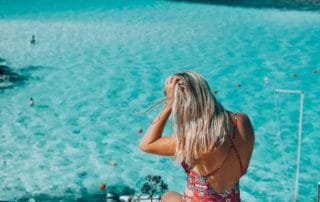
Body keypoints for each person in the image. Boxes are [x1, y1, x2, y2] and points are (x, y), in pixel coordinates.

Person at [139, 71, 255, 202]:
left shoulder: (192, 141)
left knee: (167, 196)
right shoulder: (241, 121)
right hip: (232, 199)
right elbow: (243, 170)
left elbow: (146, 144)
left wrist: (169, 105)